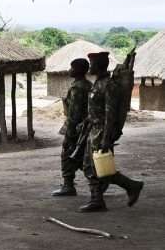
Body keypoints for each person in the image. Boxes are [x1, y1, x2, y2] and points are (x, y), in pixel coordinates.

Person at [79, 52, 144, 212]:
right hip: (93, 129)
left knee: (100, 167)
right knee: (89, 165)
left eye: (92, 64)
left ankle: (131, 186)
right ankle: (97, 199)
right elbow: (97, 109)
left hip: (102, 131)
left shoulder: (108, 85)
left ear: (100, 65)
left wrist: (107, 138)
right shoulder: (98, 83)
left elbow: (110, 114)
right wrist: (88, 120)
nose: (90, 67)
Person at [51, 59, 92, 196]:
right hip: (86, 127)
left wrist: (69, 133)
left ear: (78, 70)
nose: (69, 70)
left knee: (67, 154)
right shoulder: (88, 85)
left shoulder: (78, 88)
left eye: (72, 68)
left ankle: (68, 186)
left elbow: (74, 114)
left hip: (77, 128)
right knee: (81, 156)